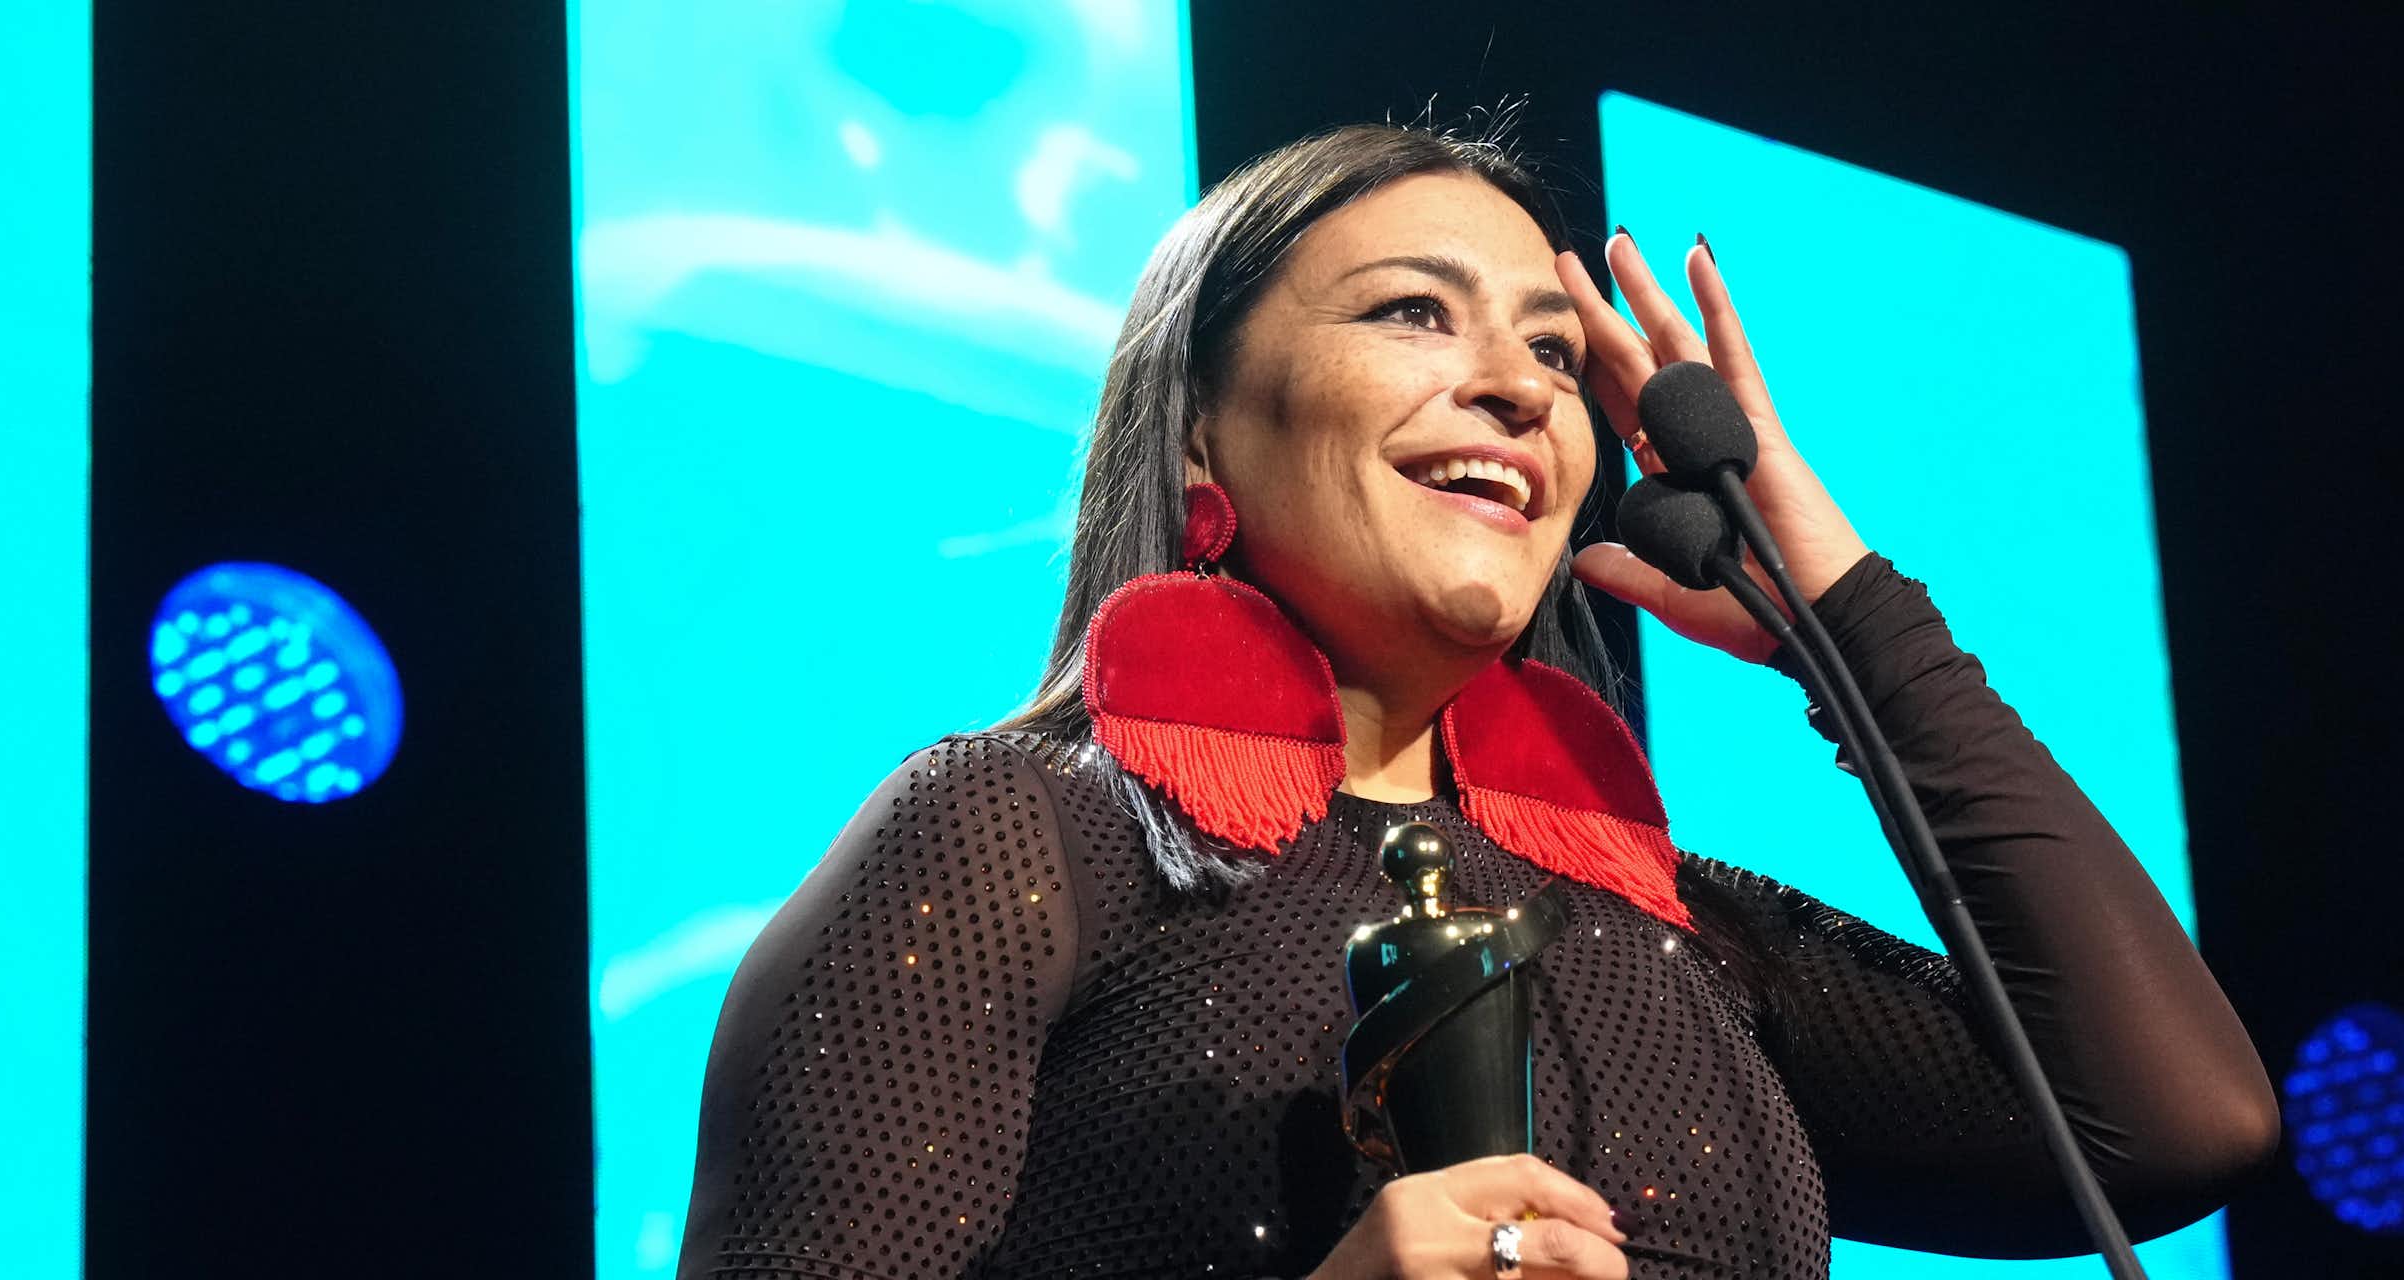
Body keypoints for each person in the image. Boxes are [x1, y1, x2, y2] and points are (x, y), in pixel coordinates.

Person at [674, 122, 2277, 1280]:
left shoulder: (1671, 933)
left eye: (1553, 352)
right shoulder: (1012, 837)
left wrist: (1842, 616)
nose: (1521, 384)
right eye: (1412, 312)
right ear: (1198, 438)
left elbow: (2174, 1119)